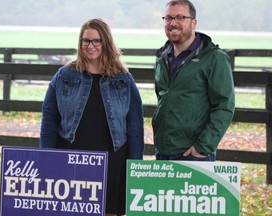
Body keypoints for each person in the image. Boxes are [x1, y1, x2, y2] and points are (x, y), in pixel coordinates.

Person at [40, 18, 144, 216]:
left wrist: (135, 166)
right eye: (85, 41)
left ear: (106, 43)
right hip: (71, 156)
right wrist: (47, 158)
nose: (90, 46)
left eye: (96, 41)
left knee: (109, 211)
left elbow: (135, 126)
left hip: (113, 157)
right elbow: (49, 120)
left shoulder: (123, 78)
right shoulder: (64, 76)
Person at [152, 0, 235, 161]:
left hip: (193, 153)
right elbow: (162, 98)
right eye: (168, 18)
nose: (173, 23)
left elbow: (224, 106)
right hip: (163, 150)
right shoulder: (161, 58)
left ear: (193, 22)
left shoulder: (213, 58)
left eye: (180, 17)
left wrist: (203, 147)